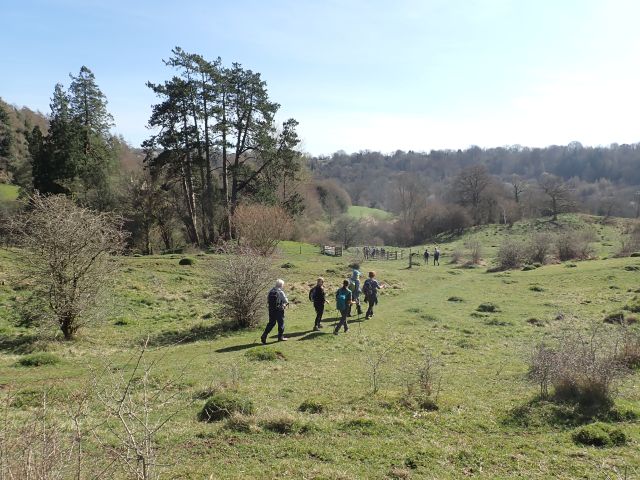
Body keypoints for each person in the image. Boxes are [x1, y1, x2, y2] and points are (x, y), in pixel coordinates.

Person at [261, 279, 289, 344]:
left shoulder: (271, 291)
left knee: (271, 323)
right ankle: (280, 337)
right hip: (279, 310)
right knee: (281, 323)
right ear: (281, 285)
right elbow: (286, 301)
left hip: (271, 310)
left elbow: (268, 300)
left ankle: (264, 335)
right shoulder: (280, 292)